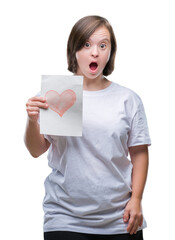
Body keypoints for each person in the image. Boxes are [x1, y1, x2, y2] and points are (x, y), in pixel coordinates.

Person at [24, 15, 151, 240]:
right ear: (74, 49)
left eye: (103, 45)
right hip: (64, 218)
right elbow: (36, 150)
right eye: (86, 44)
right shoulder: (50, 95)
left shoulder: (127, 99)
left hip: (119, 219)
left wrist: (136, 199)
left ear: (111, 52)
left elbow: (139, 153)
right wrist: (33, 121)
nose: (95, 52)